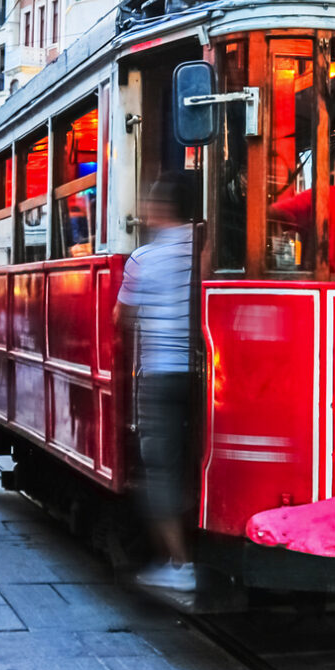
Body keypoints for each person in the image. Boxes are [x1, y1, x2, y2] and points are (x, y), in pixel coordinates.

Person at [116, 174, 199, 592]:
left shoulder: (143, 259)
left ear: (160, 209)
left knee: (161, 467)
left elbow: (121, 317)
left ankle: (180, 565)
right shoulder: (206, 249)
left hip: (161, 374)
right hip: (203, 376)